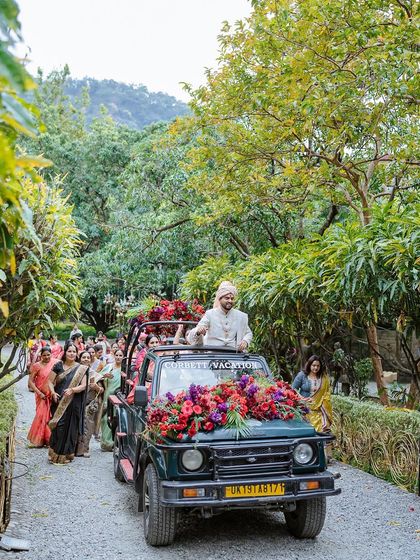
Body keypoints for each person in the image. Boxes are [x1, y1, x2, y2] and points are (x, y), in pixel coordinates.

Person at [47, 342, 88, 464]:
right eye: (69, 351)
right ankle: (54, 451)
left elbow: (84, 385)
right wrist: (53, 392)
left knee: (70, 427)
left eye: (74, 352)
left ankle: (65, 454)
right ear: (65, 352)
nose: (72, 353)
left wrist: (72, 390)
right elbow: (49, 381)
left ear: (77, 354)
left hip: (73, 402)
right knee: (58, 426)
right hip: (58, 400)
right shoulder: (58, 366)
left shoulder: (81, 368)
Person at [187, 281, 252, 351]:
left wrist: (245, 341)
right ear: (220, 299)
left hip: (234, 357)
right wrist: (198, 331)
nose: (230, 301)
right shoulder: (210, 314)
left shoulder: (240, 316)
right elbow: (195, 332)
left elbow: (248, 333)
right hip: (213, 356)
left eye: (232, 299)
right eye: (227, 298)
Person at [292, 355, 332, 433]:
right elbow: (292, 389)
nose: (316, 368)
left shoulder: (323, 377)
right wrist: (301, 398)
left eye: (318, 366)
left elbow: (327, 393)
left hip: (319, 412)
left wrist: (324, 404)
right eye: (313, 365)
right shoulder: (302, 375)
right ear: (309, 365)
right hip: (304, 411)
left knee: (320, 434)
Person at [27, 347, 57, 447]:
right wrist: (39, 393)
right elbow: (30, 382)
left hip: (51, 394)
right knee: (40, 416)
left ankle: (49, 439)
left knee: (50, 416)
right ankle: (40, 439)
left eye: (48, 354)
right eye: (44, 355)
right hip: (41, 395)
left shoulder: (55, 363)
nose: (46, 357)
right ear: (41, 355)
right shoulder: (36, 366)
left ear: (51, 354)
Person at [76, 350, 104, 458]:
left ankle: (84, 449)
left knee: (87, 426)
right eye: (84, 357)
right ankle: (73, 449)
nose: (86, 359)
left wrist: (96, 387)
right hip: (76, 402)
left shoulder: (93, 373)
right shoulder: (76, 371)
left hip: (88, 403)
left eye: (88, 358)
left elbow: (101, 389)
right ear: (80, 359)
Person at [100, 349, 123, 451]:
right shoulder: (109, 367)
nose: (118, 357)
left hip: (119, 397)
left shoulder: (125, 369)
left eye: (120, 355)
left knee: (116, 419)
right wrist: (104, 376)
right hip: (108, 396)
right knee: (105, 419)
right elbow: (97, 377)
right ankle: (106, 443)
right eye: (117, 355)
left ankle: (115, 443)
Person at [127, 335, 160, 405]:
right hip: (145, 380)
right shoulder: (143, 353)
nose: (155, 345)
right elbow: (143, 369)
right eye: (152, 343)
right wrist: (157, 377)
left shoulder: (162, 353)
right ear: (147, 345)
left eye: (157, 342)